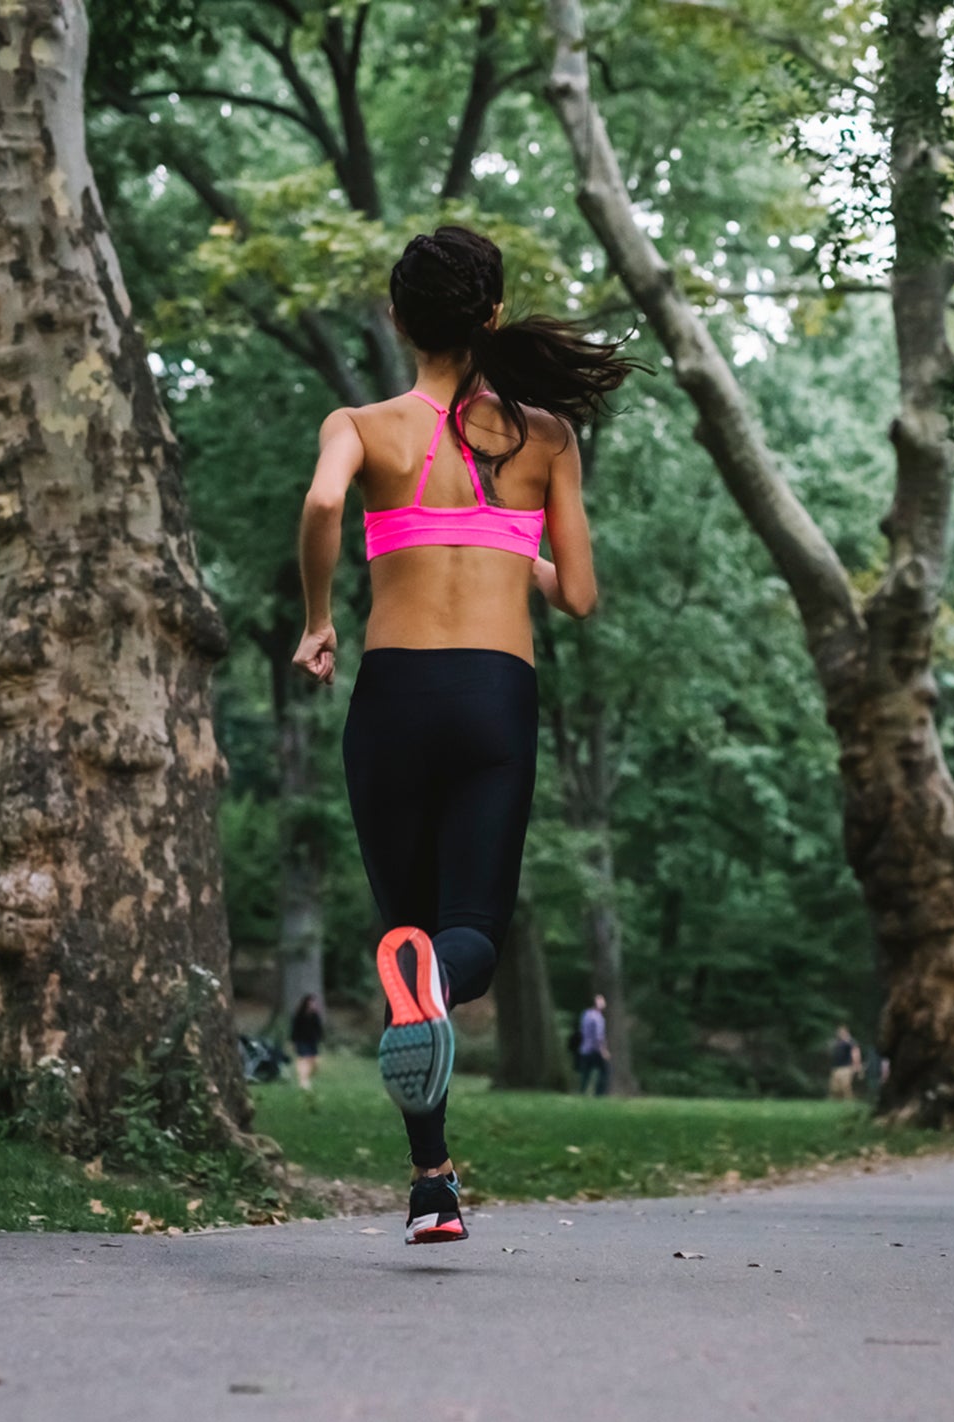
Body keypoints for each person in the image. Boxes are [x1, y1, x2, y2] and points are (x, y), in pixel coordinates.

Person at [293, 225, 641, 1246]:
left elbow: (321, 502)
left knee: (405, 933)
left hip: (390, 697)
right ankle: (434, 1032)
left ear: (398, 318)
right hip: (494, 696)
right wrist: (510, 550)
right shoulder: (544, 438)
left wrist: (320, 619)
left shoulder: (363, 424)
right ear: (491, 317)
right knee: (463, 941)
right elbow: (578, 594)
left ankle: (433, 1183)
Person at [575, 994, 611, 1097]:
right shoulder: (598, 1017)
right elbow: (599, 1036)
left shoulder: (585, 1014)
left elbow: (582, 1031)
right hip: (595, 1050)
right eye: (601, 1001)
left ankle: (582, 1092)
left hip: (585, 1049)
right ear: (597, 1003)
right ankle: (598, 1094)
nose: (603, 1002)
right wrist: (603, 1050)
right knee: (605, 1071)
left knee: (585, 1074)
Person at [289, 993, 325, 1092]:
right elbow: (294, 1029)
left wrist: (320, 1038)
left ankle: (306, 1077)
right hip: (301, 1040)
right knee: (303, 1059)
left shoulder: (315, 1016)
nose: (313, 1005)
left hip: (312, 1041)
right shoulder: (299, 1015)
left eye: (314, 1003)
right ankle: (303, 1081)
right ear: (306, 1004)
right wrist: (293, 1041)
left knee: (315, 1062)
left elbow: (319, 1029)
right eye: (311, 1003)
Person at [828, 1024, 862, 1100]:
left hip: (846, 1067)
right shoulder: (838, 1043)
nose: (839, 1033)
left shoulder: (851, 1042)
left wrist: (857, 1065)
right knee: (835, 1088)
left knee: (846, 1087)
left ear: (846, 1032)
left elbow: (856, 1053)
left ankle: (848, 1102)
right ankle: (838, 1103)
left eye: (841, 1032)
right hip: (836, 1067)